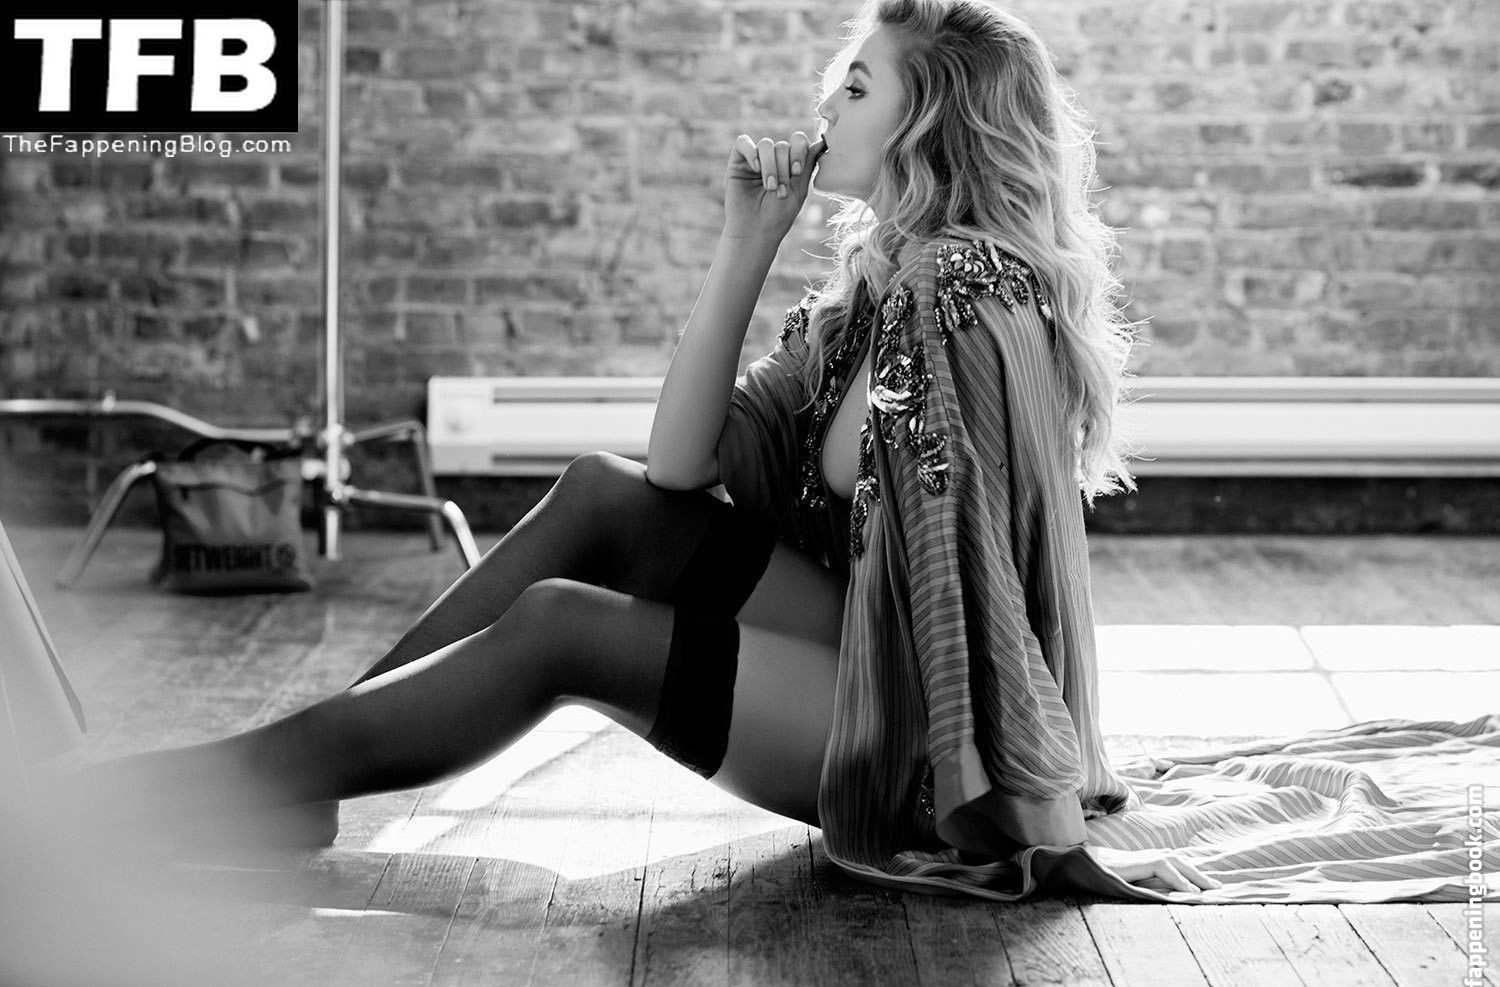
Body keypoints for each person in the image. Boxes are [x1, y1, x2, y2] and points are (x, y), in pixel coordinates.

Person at [34, 0, 1222, 900]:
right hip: (867, 637)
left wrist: (1019, 803)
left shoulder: (964, 295)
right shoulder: (878, 288)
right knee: (602, 497)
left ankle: (220, 786)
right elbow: (675, 469)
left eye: (858, 87)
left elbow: (975, 586)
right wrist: (749, 240)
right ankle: (313, 762)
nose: (827, 106)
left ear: (930, 122)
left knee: (565, 626)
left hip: (923, 728)